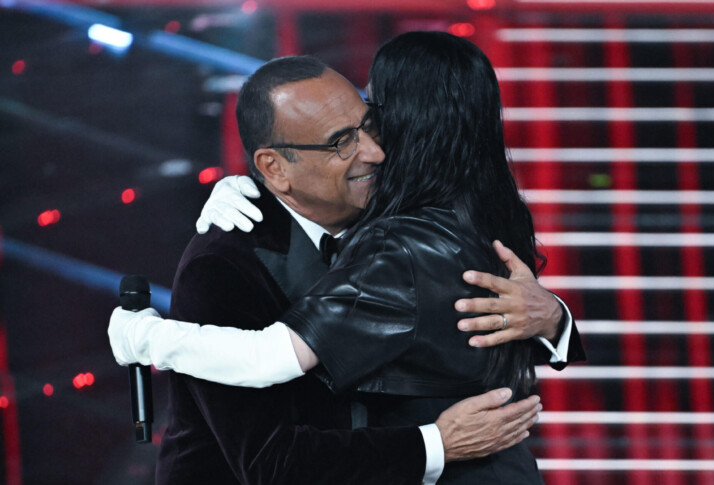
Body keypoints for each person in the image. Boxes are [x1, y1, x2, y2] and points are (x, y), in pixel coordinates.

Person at [111, 32, 584, 483]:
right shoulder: (226, 265)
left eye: (371, 123)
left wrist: (146, 338)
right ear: (273, 167)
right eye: (343, 142)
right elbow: (270, 462)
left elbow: (269, 357)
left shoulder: (402, 232)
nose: (374, 151)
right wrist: (435, 445)